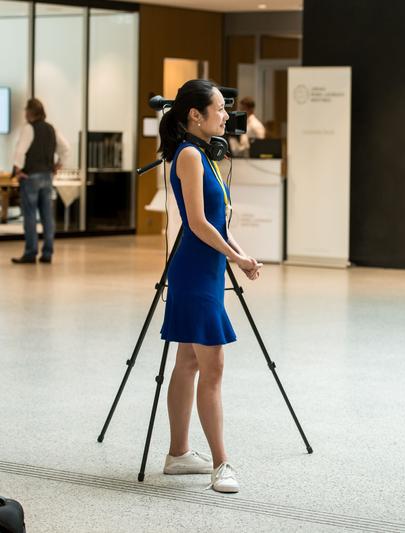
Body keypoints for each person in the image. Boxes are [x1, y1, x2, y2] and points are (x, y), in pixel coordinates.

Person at [158, 79, 262, 493]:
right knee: (212, 367)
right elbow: (198, 223)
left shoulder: (205, 155)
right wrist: (234, 257)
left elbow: (218, 223)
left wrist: (241, 253)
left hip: (205, 269)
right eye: (219, 108)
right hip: (195, 272)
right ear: (194, 116)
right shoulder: (188, 156)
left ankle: (179, 454)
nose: (226, 114)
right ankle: (222, 464)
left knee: (188, 363)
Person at [10, 98, 69, 264]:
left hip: (31, 177)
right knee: (47, 216)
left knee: (29, 215)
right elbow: (66, 148)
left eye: (26, 111)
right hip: (47, 176)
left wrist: (18, 170)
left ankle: (30, 252)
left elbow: (20, 150)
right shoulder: (52, 129)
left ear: (30, 112)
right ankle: (47, 253)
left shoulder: (29, 128)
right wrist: (58, 165)